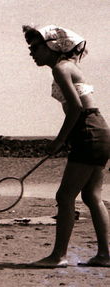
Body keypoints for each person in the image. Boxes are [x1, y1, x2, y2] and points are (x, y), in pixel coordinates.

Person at [23, 25, 110, 268]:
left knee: (64, 196)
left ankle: (58, 256)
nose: (31, 52)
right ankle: (105, 255)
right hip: (100, 130)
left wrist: (60, 141)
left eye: (35, 47)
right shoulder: (68, 67)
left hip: (88, 130)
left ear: (52, 45)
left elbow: (76, 108)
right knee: (92, 196)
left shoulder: (61, 68)